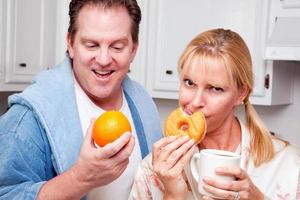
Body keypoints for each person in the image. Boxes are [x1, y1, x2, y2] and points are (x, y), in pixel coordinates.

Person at [0, 0, 162, 199]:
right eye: (92, 45)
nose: (103, 60)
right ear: (71, 44)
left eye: (117, 47)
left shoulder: (144, 104)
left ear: (133, 49)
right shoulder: (27, 118)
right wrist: (81, 178)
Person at [129, 28, 300, 200]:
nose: (195, 102)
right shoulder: (153, 171)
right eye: (189, 83)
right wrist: (173, 195)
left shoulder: (288, 164)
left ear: (241, 94)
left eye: (215, 89)